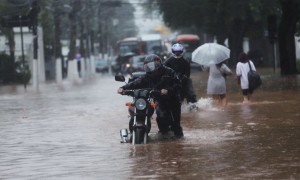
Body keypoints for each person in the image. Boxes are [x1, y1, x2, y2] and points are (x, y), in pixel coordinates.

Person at [117, 54, 184, 138]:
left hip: (173, 99)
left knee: (176, 125)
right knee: (161, 116)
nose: (150, 68)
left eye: (152, 66)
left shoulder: (169, 72)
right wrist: (123, 88)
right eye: (148, 66)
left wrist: (168, 90)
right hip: (159, 98)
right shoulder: (147, 76)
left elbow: (178, 85)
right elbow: (137, 82)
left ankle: (179, 141)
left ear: (158, 64)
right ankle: (164, 134)